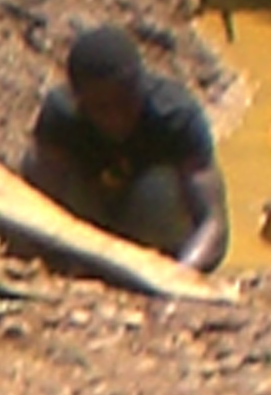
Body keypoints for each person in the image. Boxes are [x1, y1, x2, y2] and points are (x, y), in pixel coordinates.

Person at [28, 25, 228, 269]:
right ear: (79, 101)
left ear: (140, 86)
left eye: (126, 101)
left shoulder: (174, 115)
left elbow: (213, 224)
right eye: (102, 108)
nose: (117, 117)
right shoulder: (61, 117)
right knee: (35, 164)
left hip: (150, 230)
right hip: (91, 222)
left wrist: (180, 274)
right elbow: (35, 208)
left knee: (157, 189)